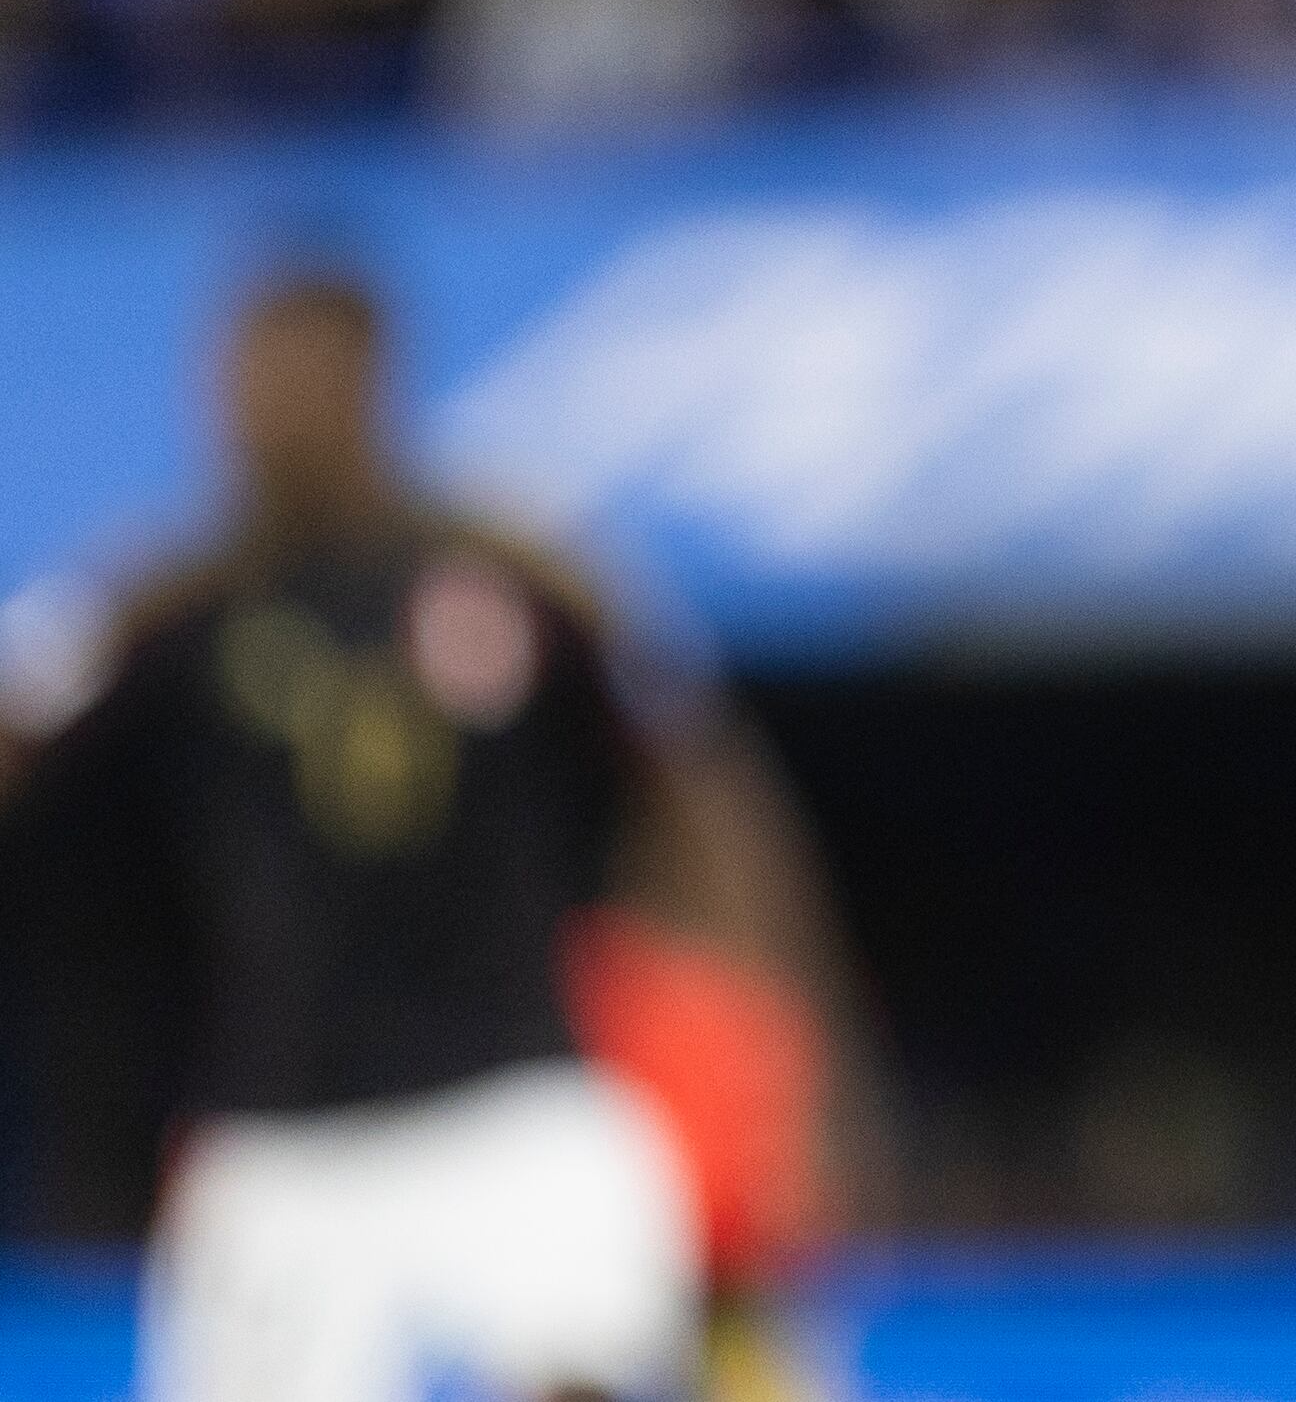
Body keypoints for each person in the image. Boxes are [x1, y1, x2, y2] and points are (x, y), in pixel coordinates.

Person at [0, 259, 832, 1402]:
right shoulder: (166, 604)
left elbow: (689, 767)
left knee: (599, 1373)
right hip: (281, 1138)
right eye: (238, 380)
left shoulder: (520, 572)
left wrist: (768, 1031)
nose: (255, 411)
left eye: (287, 377)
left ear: (369, 379)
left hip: (512, 1105)